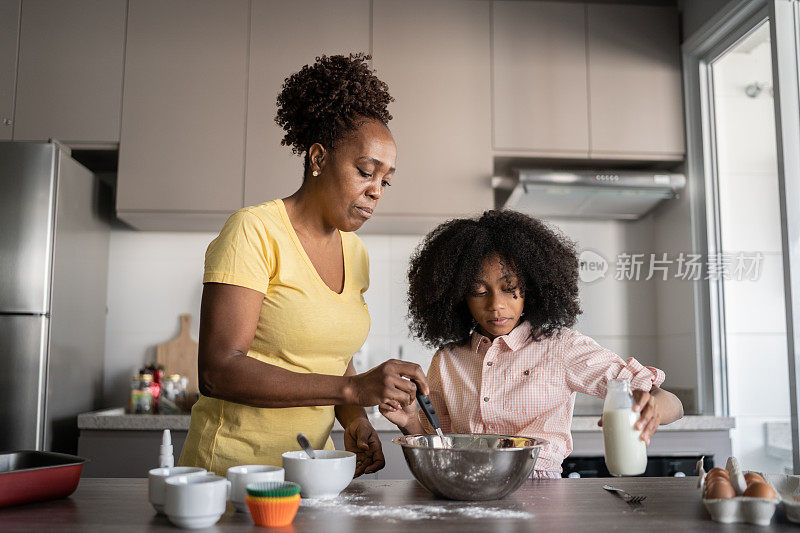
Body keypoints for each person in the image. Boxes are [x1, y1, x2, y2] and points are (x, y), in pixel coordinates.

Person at [179, 53, 428, 476]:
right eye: (366, 171)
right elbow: (219, 371)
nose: (376, 191)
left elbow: (332, 357)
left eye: (385, 181)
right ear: (318, 159)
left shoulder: (355, 252)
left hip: (307, 475)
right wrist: (354, 388)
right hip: (227, 477)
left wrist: (354, 419)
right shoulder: (253, 230)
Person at [381, 210, 684, 478]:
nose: (496, 305)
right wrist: (408, 421)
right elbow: (439, 448)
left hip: (542, 496)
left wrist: (654, 405)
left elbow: (669, 401)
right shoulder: (447, 361)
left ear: (532, 288)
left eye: (509, 288)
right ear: (458, 296)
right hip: (466, 491)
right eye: (478, 291)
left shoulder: (561, 347)